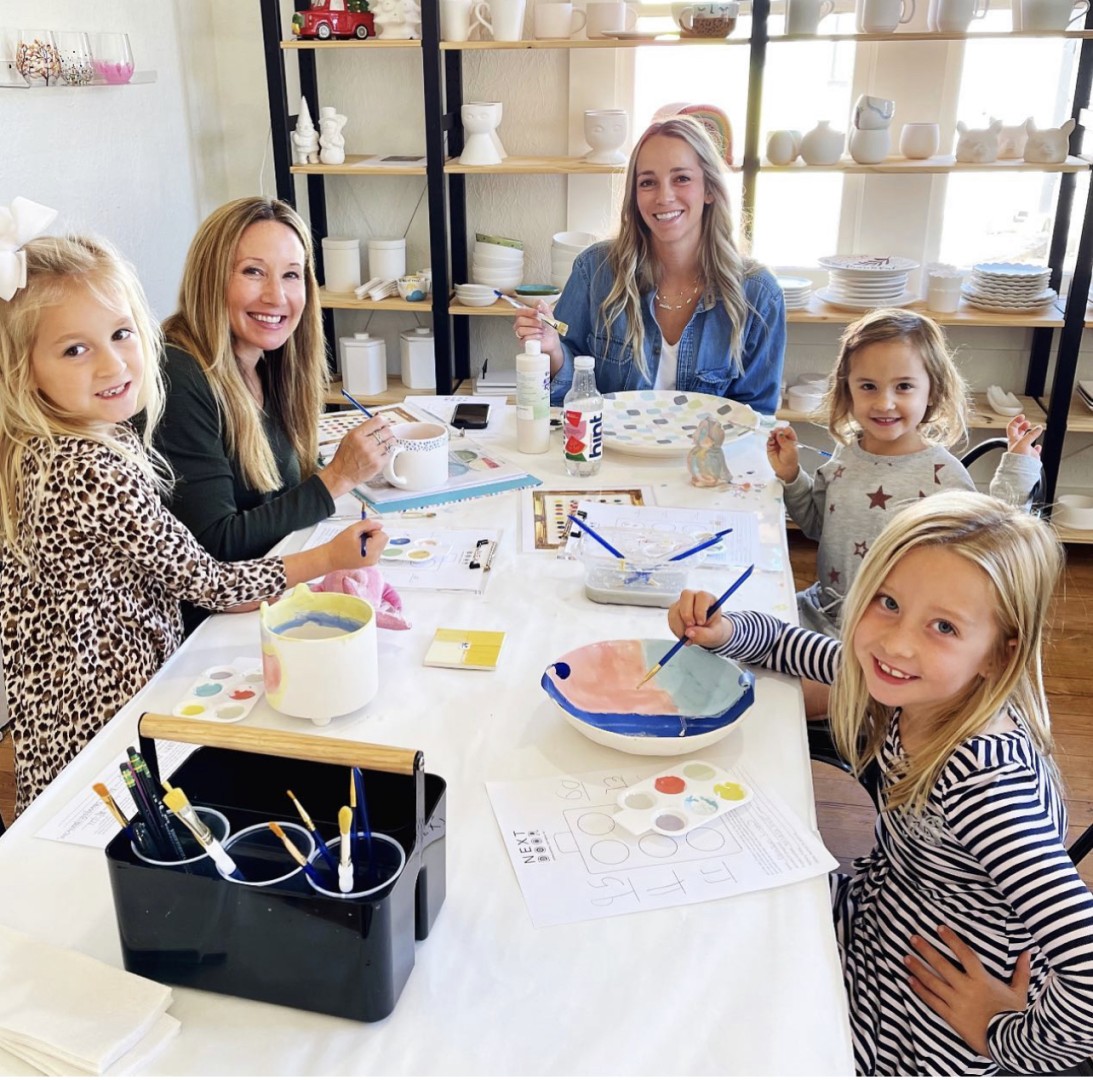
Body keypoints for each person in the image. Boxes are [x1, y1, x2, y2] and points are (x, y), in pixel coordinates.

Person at [669, 492, 1093, 1076]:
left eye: (943, 626)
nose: (896, 643)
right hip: (886, 915)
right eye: (888, 602)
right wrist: (726, 630)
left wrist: (1002, 1036)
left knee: (712, 1023)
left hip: (921, 1018)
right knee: (704, 901)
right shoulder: (920, 684)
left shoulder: (985, 784)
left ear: (999, 655)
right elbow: (800, 649)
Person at [0, 232, 387, 816]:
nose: (113, 363)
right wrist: (327, 559)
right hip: (109, 731)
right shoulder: (92, 468)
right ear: (24, 369)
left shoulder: (40, 446)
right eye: (75, 350)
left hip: (58, 731)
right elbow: (212, 582)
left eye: (122, 334)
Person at [153, 197, 392, 628]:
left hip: (265, 594)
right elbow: (215, 548)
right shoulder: (179, 375)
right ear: (210, 277)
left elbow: (279, 491)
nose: (276, 296)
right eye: (253, 271)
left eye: (291, 275)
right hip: (208, 625)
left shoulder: (268, 361)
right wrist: (337, 477)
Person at [769, 308, 1042, 639]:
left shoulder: (943, 474)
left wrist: (1018, 469)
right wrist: (791, 474)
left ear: (932, 392)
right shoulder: (846, 454)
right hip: (825, 612)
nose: (884, 403)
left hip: (894, 634)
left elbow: (996, 543)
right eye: (868, 386)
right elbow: (817, 525)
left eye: (904, 386)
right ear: (847, 390)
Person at [512, 115, 785, 414]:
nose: (664, 197)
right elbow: (566, 398)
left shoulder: (759, 294)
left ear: (709, 189)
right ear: (635, 196)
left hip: (709, 447)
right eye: (648, 182)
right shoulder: (594, 269)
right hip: (607, 444)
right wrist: (552, 348)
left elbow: (756, 416)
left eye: (681, 178)